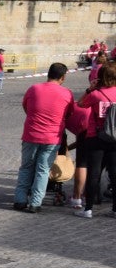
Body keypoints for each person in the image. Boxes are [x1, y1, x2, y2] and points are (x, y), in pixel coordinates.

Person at [14, 63, 73, 213]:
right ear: (63, 77)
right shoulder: (66, 93)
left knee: (26, 167)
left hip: (31, 134)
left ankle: (20, 200)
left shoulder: (34, 89)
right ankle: (35, 203)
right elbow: (68, 114)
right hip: (52, 138)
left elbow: (26, 107)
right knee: (43, 170)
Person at [75, 61, 116, 218]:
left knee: (94, 173)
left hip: (95, 136)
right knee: (114, 173)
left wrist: (89, 89)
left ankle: (88, 209)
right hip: (114, 137)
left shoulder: (96, 94)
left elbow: (80, 104)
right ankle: (115, 209)